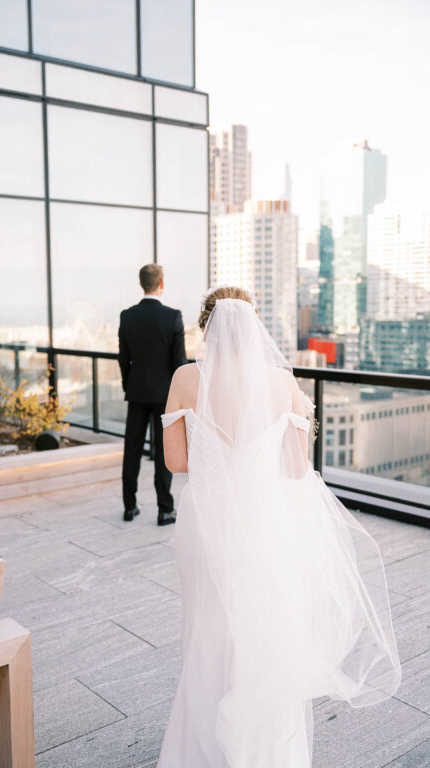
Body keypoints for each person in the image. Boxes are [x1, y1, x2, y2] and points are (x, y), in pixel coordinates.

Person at [156, 286, 401, 767]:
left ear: (207, 328)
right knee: (262, 629)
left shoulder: (186, 377)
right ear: (253, 328)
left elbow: (175, 461)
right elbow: (294, 470)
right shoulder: (280, 382)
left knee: (208, 628)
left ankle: (201, 747)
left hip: (205, 524)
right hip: (266, 524)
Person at [118, 264, 186, 526]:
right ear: (162, 284)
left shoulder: (127, 316)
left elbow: (124, 359)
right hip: (164, 395)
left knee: (132, 450)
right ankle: (164, 509)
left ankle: (129, 506)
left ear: (141, 283)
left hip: (136, 392)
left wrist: (129, 385)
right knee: (163, 451)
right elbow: (179, 362)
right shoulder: (172, 317)